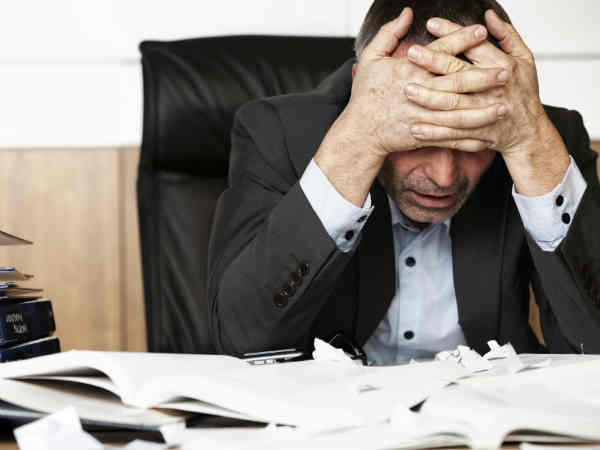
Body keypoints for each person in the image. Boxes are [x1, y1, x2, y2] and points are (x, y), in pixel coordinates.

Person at [207, 0, 600, 364]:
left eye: (474, 140)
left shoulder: (539, 138)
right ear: (363, 95)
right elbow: (242, 341)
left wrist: (531, 145)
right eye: (418, 136)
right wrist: (357, 140)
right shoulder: (279, 133)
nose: (443, 177)